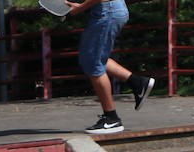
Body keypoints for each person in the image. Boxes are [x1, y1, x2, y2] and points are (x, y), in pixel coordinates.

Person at [66, 0, 155, 135]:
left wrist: (81, 7)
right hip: (109, 10)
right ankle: (138, 83)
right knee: (92, 57)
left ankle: (111, 118)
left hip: (107, 11)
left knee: (93, 63)